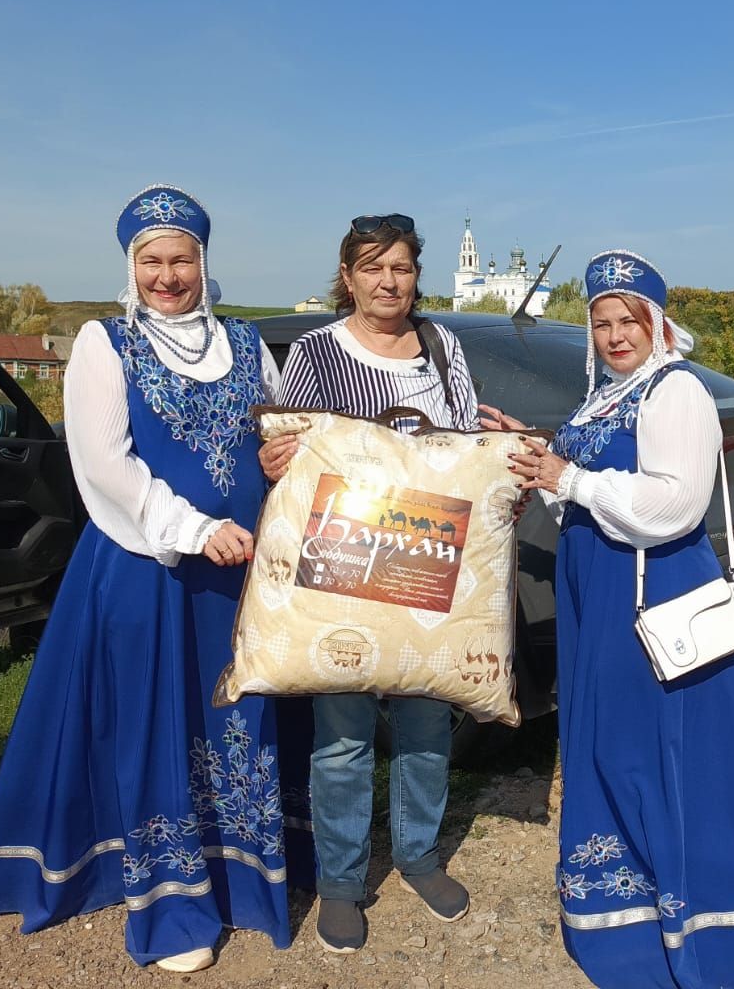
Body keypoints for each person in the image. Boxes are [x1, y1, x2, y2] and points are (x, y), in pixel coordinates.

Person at [0, 186, 292, 973]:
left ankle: (244, 881)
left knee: (235, 727)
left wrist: (283, 459)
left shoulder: (247, 344)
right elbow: (104, 465)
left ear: (204, 264)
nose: (167, 276)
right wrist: (194, 529)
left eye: (181, 259)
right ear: (130, 266)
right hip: (148, 566)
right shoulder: (104, 343)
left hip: (241, 573)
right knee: (157, 725)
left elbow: (276, 434)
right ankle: (174, 902)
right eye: (152, 261)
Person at [484, 249, 734, 989]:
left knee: (660, 750)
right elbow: (581, 497)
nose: (615, 335)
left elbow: (673, 505)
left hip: (653, 595)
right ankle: (629, 908)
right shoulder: (607, 396)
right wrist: (541, 459)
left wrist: (570, 476)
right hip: (603, 594)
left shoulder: (674, 391)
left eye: (629, 320)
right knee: (615, 744)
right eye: (602, 323)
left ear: (658, 324)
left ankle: (693, 919)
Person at [258, 213, 481, 955]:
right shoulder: (319, 351)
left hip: (426, 559)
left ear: (418, 275)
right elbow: (288, 453)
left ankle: (418, 855)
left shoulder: (445, 348)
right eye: (372, 268)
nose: (389, 282)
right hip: (344, 566)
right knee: (345, 732)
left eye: (403, 268)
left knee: (424, 723)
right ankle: (343, 880)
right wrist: (275, 460)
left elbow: (463, 445)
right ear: (347, 276)